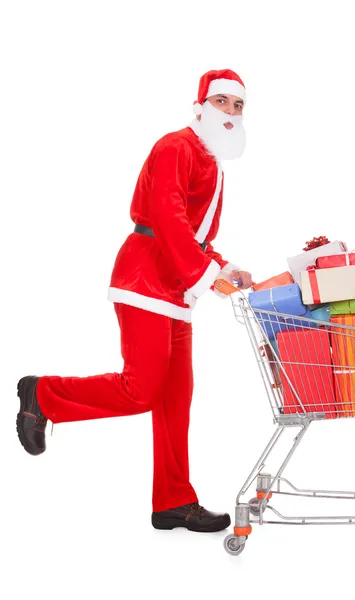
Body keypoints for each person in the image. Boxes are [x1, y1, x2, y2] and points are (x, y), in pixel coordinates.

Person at [15, 69, 252, 533]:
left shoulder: (212, 161)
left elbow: (195, 235)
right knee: (140, 389)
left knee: (174, 399)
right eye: (222, 102)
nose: (230, 113)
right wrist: (205, 274)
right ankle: (42, 394)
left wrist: (222, 269)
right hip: (145, 280)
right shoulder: (176, 147)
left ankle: (173, 502)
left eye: (238, 106)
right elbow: (167, 215)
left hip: (178, 290)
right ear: (201, 105)